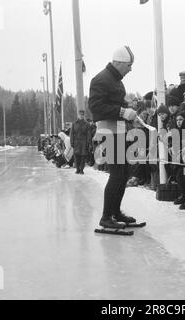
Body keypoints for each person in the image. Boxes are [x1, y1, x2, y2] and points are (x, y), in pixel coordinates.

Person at [89, 45, 137, 229]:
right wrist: (123, 111)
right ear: (118, 63)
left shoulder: (116, 79)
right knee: (117, 175)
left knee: (123, 174)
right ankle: (106, 216)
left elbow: (114, 102)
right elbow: (96, 107)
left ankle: (115, 212)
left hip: (119, 131)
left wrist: (127, 108)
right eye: (128, 65)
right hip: (109, 133)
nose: (130, 69)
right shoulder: (101, 79)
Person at [70, 109, 91, 174]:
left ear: (84, 115)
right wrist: (72, 142)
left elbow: (88, 134)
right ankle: (77, 169)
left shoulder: (86, 124)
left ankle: (81, 169)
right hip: (76, 142)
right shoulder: (74, 123)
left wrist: (88, 142)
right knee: (76, 157)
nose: (81, 116)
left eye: (82, 115)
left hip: (84, 142)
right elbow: (71, 134)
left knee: (83, 157)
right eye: (80, 114)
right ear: (78, 115)